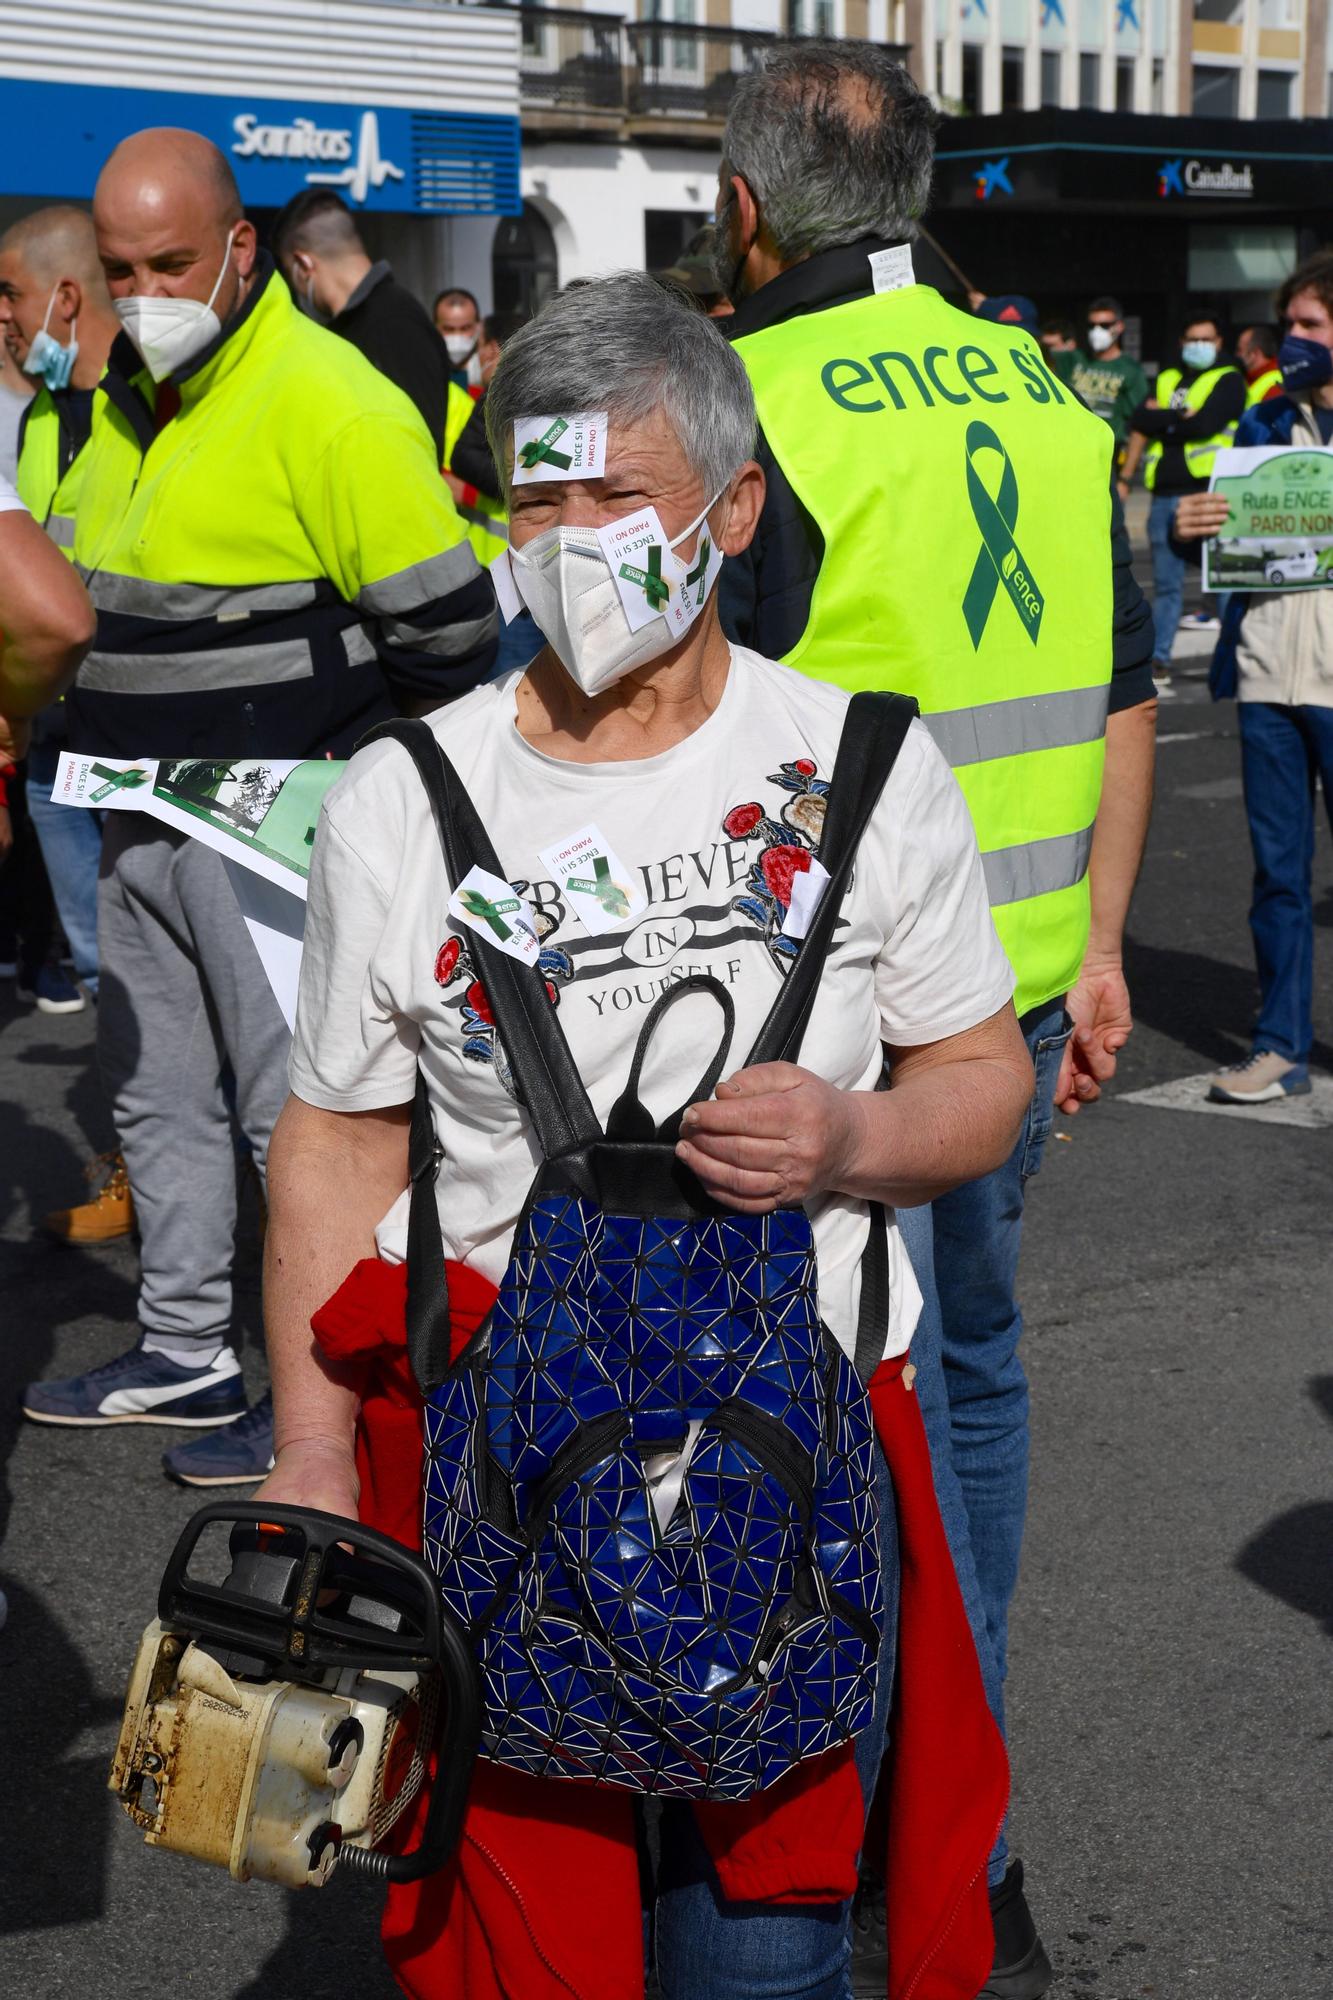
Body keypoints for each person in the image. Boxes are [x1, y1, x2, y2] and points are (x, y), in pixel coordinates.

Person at [257, 269, 1031, 2000]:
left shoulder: (862, 764)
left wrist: (846, 1139)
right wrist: (310, 1446)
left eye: (619, 495)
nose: (568, 536)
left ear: (732, 509)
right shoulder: (403, 797)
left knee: (758, 1957)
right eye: (535, 495)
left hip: (796, 1479)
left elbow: (978, 1075)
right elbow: (332, 1141)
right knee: (529, 1958)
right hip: (497, 1482)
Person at [710, 41, 1157, 1997]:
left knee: (801, 1419)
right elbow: (1127, 684)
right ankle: (964, 1828)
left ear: (746, 209)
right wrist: (1108, 947)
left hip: (832, 1017)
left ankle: (878, 1825)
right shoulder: (1045, 388)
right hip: (1031, 984)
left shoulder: (756, 404)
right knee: (965, 1373)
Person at [21, 129, 497, 1489]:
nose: (142, 291)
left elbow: (450, 635)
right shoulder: (116, 405)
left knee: (301, 1128)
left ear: (243, 249)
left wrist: (343, 785)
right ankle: (184, 1350)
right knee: (159, 1100)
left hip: (277, 827)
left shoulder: (329, 400)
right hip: (135, 815)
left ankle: (324, 1397)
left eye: (171, 262)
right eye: (119, 269)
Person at [1174, 253, 1333, 1106]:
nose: (1294, 344)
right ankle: (1280, 1045)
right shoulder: (1266, 422)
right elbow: (1226, 533)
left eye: (1310, 327)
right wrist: (1187, 528)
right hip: (1270, 676)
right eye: (1290, 328)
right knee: (1277, 875)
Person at [0, 206, 122, 1012]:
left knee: (179, 973)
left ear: (66, 298)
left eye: (12, 294)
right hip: (53, 744)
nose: (3, 316)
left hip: (130, 735)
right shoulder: (41, 417)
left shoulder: (148, 411)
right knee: (102, 965)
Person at [272, 189, 451, 461]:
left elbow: (419, 445)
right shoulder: (348, 327)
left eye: (288, 273)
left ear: (302, 263)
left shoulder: (395, 321)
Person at [1122, 310, 1244, 694]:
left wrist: (1167, 420)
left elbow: (1205, 425)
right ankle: (1160, 660)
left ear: (1219, 342)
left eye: (1206, 339)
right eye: (1192, 338)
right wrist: (1180, 417)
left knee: (1221, 583)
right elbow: (1140, 417)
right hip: (1164, 494)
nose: (1198, 346)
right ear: (1181, 342)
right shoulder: (1169, 377)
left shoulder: (1227, 379)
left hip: (1208, 492)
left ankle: (1234, 659)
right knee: (1166, 585)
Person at [1064, 296, 1148, 456]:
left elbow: (1140, 426)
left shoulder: (1131, 370)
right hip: (1072, 448)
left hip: (1108, 454)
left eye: (1104, 325)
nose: (1097, 331)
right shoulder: (1075, 359)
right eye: (1092, 325)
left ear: (1120, 326)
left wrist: (1126, 475)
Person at [434, 284, 482, 388]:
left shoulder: (489, 373)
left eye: (465, 328)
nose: (457, 336)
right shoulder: (424, 371)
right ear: (434, 328)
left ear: (478, 327)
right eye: (448, 329)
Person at [1236, 322, 1283, 407]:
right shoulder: (1253, 378)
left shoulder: (1275, 387)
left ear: (1254, 353)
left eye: (1240, 350)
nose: (1237, 355)